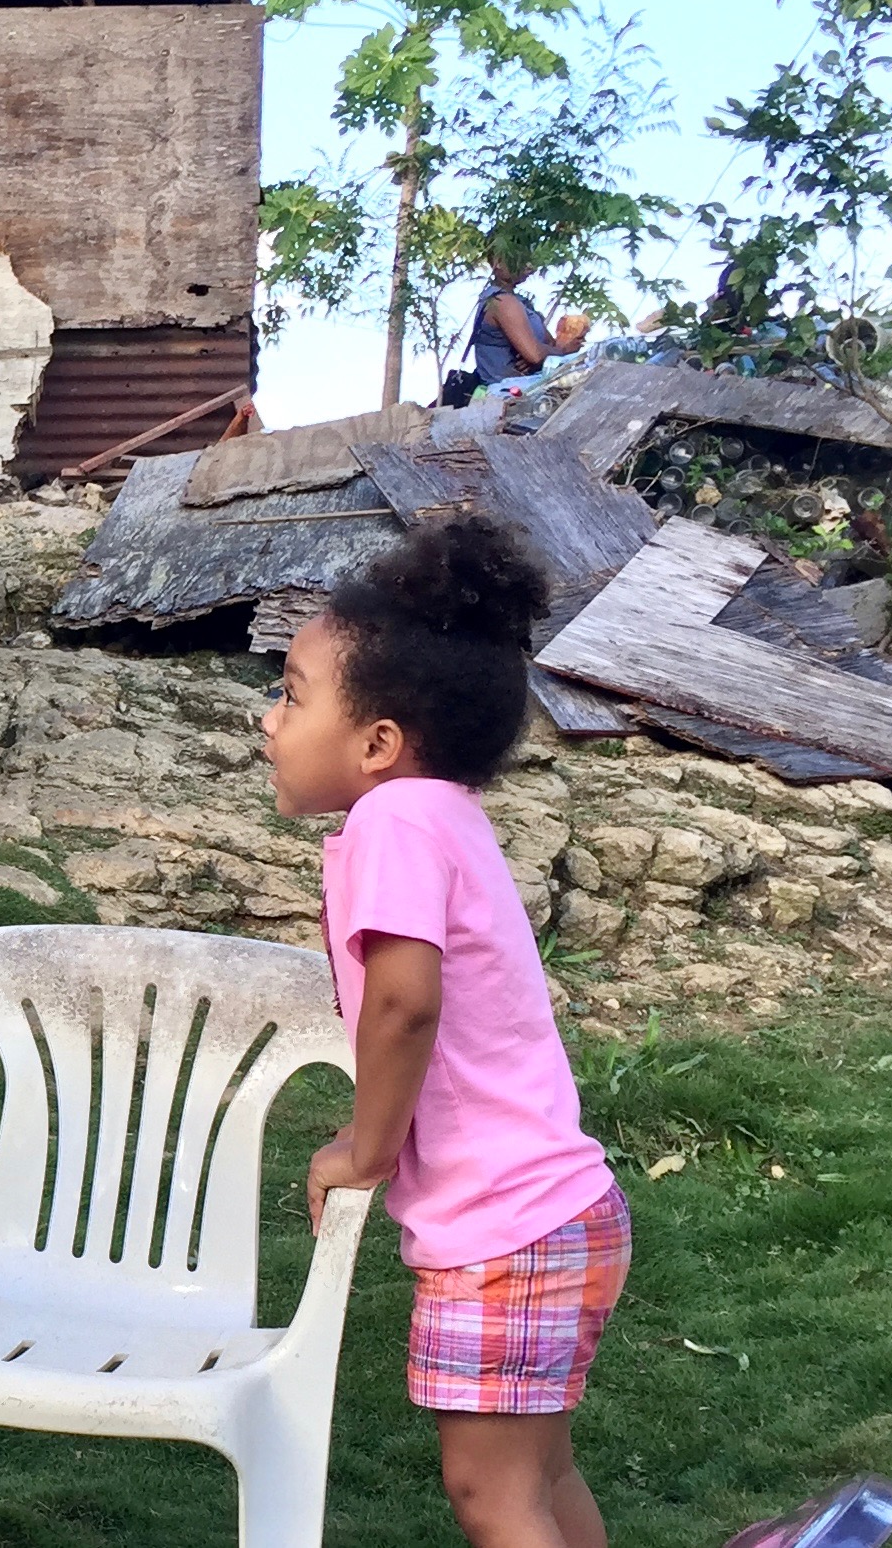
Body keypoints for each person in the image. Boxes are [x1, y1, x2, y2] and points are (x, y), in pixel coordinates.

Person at [261, 517, 628, 1548]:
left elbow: (404, 1001)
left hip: (504, 1227)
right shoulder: (444, 814)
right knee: (539, 1477)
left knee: (491, 1494)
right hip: (562, 1210)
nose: (269, 718)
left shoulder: (393, 820)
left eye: (292, 694)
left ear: (377, 744)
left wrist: (365, 1150)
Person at [449, 253, 594, 406]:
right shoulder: (501, 301)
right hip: (506, 395)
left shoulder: (522, 302)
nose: (529, 266)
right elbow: (535, 354)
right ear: (498, 262)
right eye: (520, 258)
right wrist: (561, 351)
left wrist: (540, 355)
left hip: (527, 387)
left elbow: (547, 346)